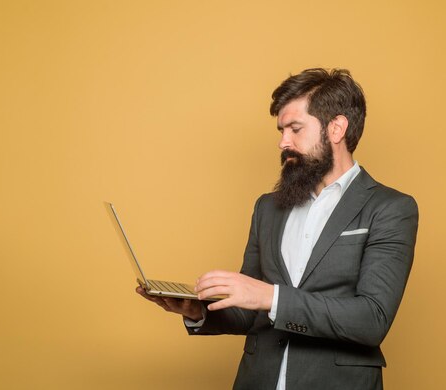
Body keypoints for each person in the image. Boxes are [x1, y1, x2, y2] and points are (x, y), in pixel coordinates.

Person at [136, 68, 419, 390]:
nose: (283, 142)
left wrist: (271, 296)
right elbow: (252, 310)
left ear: (337, 128)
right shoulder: (268, 207)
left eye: (295, 129)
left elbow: (371, 319)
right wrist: (198, 311)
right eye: (281, 130)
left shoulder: (391, 208)